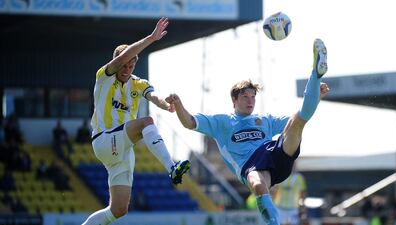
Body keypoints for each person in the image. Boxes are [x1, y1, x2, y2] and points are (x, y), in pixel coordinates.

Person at [167, 39, 329, 225]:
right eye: (245, 97)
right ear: (234, 100)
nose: (250, 101)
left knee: (298, 120)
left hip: (275, 153)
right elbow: (189, 122)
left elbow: (300, 117)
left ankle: (315, 75)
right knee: (259, 185)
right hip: (250, 165)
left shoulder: (265, 120)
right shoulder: (222, 122)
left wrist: (317, 96)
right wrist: (178, 105)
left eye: (253, 97)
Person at [82, 17, 190, 225]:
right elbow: (123, 58)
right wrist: (151, 38)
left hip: (123, 151)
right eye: (124, 63)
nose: (127, 68)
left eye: (132, 64)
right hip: (104, 140)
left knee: (118, 210)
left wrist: (166, 104)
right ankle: (172, 168)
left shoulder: (139, 84)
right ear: (116, 62)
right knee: (146, 122)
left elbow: (153, 96)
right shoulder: (104, 77)